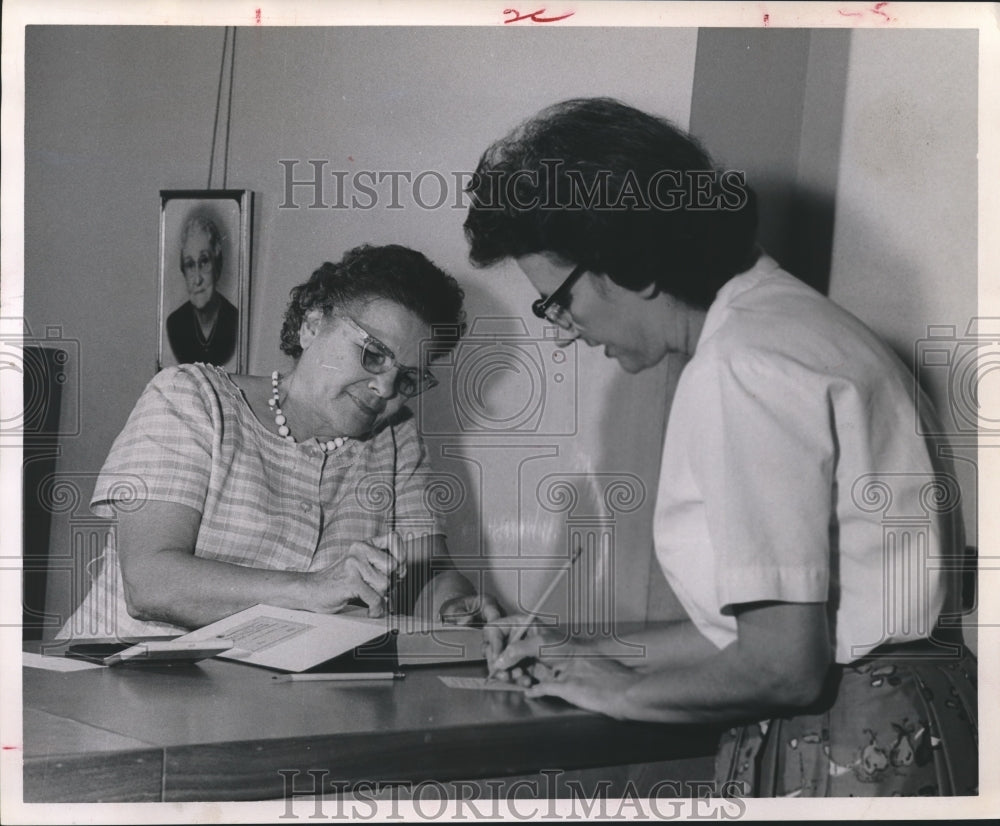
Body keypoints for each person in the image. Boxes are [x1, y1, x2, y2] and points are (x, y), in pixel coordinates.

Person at [465, 98, 976, 797]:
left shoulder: (741, 366)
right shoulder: (792, 322)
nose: (562, 329)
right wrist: (582, 653)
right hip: (904, 720)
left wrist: (616, 692)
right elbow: (767, 627)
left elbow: (782, 667)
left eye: (558, 301)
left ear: (631, 265)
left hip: (849, 748)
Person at [59, 244, 501, 639]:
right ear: (312, 326)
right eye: (373, 354)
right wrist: (314, 590)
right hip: (113, 684)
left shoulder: (396, 437)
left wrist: (451, 606)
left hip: (253, 698)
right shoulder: (190, 398)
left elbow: (428, 574)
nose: (386, 389)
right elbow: (150, 583)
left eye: (406, 378)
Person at [166, 213, 239, 366]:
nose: (197, 279)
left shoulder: (235, 320)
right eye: (190, 265)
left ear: (217, 265)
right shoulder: (175, 324)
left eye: (204, 261)